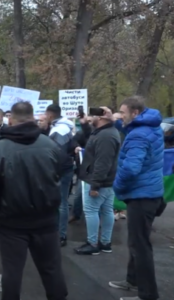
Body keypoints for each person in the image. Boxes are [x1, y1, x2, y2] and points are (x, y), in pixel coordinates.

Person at [0, 101, 68, 300]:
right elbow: (60, 175)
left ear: (10, 119)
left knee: (12, 272)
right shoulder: (50, 145)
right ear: (33, 118)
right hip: (45, 220)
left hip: (12, 222)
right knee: (51, 269)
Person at [109, 96, 163, 300]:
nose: (119, 115)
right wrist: (115, 121)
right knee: (137, 242)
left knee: (140, 246)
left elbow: (131, 168)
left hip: (141, 196)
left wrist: (117, 186)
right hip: (150, 194)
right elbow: (132, 131)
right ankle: (132, 280)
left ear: (135, 113)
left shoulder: (138, 135)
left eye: (122, 113)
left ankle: (148, 294)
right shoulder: (150, 125)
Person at [74, 107, 121, 255]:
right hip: (106, 180)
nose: (89, 117)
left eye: (92, 116)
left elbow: (103, 162)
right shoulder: (105, 132)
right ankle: (105, 243)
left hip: (99, 180)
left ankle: (93, 243)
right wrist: (84, 124)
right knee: (107, 210)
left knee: (91, 211)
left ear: (100, 118)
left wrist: (95, 185)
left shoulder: (105, 136)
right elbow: (92, 138)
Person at [45, 104, 76, 247]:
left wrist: (53, 170)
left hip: (61, 170)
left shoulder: (60, 130)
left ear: (50, 115)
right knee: (60, 202)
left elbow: (57, 153)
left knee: (61, 203)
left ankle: (60, 235)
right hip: (66, 168)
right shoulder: (64, 126)